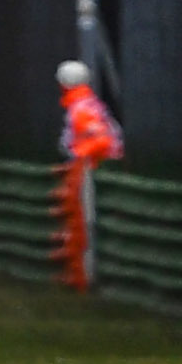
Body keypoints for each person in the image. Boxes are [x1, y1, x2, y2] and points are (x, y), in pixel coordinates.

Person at [56, 58, 125, 293]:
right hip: (90, 168)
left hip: (88, 170)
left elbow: (101, 140)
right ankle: (80, 277)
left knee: (83, 226)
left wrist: (79, 155)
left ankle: (84, 279)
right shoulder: (88, 104)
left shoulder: (81, 109)